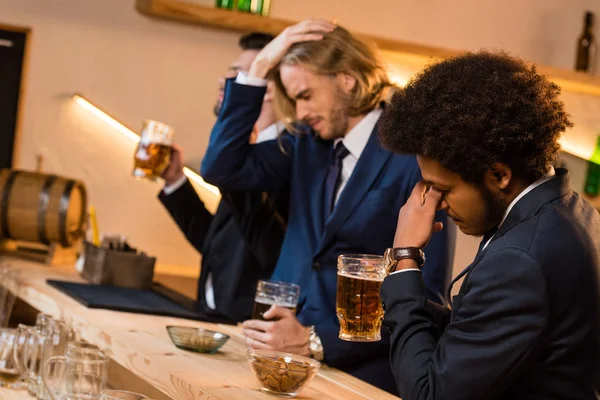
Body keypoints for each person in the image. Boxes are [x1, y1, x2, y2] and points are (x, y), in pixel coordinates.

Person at [201, 20, 454, 393]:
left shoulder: (413, 157)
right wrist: (258, 70)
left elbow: (425, 299)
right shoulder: (306, 142)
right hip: (278, 362)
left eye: (305, 95)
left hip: (360, 375)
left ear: (346, 79)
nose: (300, 112)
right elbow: (221, 167)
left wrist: (314, 340)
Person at [378, 51, 600, 399]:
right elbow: (490, 327)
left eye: (444, 189)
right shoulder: (570, 210)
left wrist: (403, 259)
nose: (437, 204)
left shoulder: (519, 259)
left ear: (499, 175)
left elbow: (428, 395)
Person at [159, 32, 288, 322]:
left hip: (252, 324)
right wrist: (176, 181)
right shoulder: (246, 155)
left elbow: (274, 254)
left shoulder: (283, 158)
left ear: (266, 88)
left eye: (239, 74)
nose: (223, 80)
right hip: (213, 315)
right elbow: (218, 245)